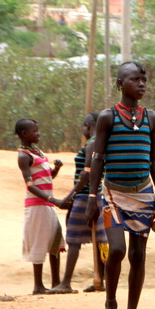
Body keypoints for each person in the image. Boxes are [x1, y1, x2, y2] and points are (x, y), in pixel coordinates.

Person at [85, 61, 155, 309]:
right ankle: (110, 305)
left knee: (138, 255)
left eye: (144, 80)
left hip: (143, 195)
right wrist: (91, 196)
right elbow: (98, 158)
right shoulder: (107, 117)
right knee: (118, 250)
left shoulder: (152, 118)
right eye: (135, 79)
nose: (142, 84)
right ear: (121, 84)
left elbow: (154, 160)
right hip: (112, 195)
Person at [50, 112, 108, 294]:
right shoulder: (101, 143)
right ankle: (100, 281)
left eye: (83, 126)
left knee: (74, 239)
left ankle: (66, 282)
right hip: (98, 195)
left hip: (85, 197)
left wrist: (70, 196)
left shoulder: (91, 144)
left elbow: (86, 174)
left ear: (88, 126)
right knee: (100, 240)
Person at [15, 118, 66, 294]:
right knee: (39, 241)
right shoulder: (23, 156)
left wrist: (56, 170)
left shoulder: (37, 152)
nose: (38, 134)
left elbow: (45, 177)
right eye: (35, 131)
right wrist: (53, 200)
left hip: (46, 203)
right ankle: (38, 285)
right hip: (37, 205)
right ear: (24, 134)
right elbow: (30, 185)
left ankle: (57, 282)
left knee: (55, 239)